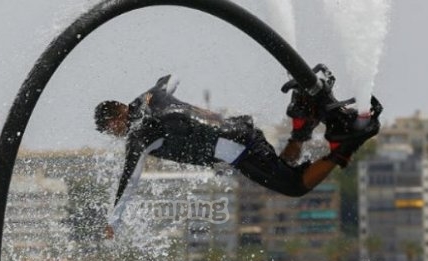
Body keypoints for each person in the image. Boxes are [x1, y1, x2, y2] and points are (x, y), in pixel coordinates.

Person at [96, 74, 381, 237]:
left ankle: (344, 146)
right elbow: (171, 79)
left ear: (116, 121)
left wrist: (113, 222)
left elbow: (129, 181)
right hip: (242, 130)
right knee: (284, 167)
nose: (117, 136)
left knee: (295, 186)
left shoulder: (139, 136)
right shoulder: (152, 95)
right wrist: (150, 94)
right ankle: (301, 125)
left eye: (113, 131)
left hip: (239, 151)